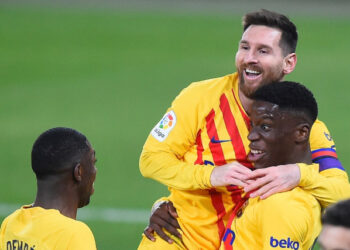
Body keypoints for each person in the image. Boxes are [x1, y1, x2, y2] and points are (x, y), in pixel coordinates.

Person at [138, 9, 350, 249]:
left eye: (263, 50)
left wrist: (298, 174)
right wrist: (210, 176)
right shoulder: (199, 98)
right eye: (245, 47)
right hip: (181, 239)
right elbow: (150, 159)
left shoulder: (302, 126)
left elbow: (342, 194)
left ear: (288, 62)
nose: (250, 58)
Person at [221, 81, 321, 249]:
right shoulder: (272, 185)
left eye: (265, 127)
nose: (251, 136)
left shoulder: (282, 206)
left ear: (301, 133)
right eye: (252, 125)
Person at [0, 127, 97, 250]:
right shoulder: (74, 234)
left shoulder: (10, 223)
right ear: (79, 172)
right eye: (93, 162)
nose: (95, 171)